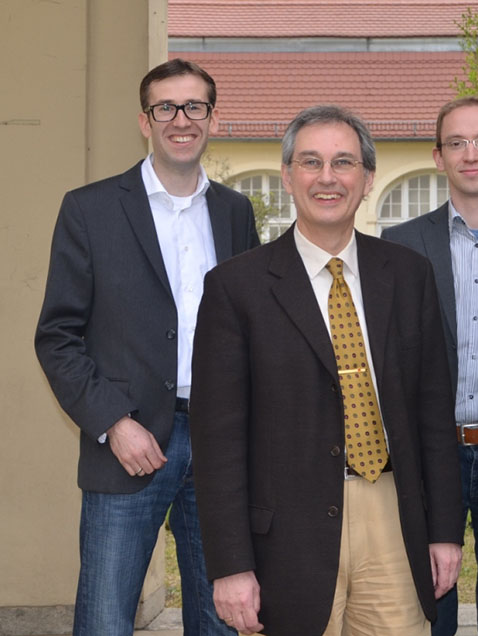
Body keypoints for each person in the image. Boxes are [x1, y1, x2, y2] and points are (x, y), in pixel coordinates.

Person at [188, 104, 464, 636]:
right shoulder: (235, 288)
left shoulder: (408, 275)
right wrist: (230, 566)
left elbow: (433, 412)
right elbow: (218, 442)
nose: (327, 178)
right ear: (288, 176)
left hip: (392, 515)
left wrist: (445, 532)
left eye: (343, 163)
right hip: (287, 532)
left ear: (367, 179)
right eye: (311, 163)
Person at [34, 59, 259, 635]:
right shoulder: (90, 209)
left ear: (212, 117)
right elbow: (57, 336)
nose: (180, 120)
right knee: (106, 619)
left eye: (195, 107)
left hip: (220, 444)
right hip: (127, 447)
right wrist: (114, 422)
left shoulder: (235, 212)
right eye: (166, 107)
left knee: (221, 618)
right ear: (145, 119)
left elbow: (250, 330)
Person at [382, 96, 478, 636]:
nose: (472, 154)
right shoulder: (399, 246)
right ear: (438, 156)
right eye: (457, 142)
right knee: (426, 608)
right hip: (429, 452)